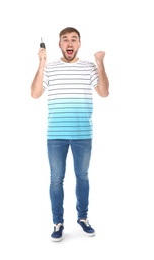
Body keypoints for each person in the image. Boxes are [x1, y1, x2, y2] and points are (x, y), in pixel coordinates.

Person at [31, 27, 109, 242]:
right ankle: (58, 222)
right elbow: (35, 94)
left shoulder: (89, 67)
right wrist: (41, 64)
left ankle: (83, 218)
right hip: (55, 135)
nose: (70, 42)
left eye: (74, 39)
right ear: (59, 45)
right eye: (65, 39)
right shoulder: (50, 68)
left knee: (82, 177)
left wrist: (101, 63)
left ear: (79, 44)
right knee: (56, 179)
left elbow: (103, 92)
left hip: (83, 134)